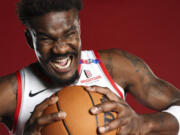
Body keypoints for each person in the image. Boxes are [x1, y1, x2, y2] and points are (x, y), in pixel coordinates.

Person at [0, 0, 180, 134]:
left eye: (69, 34)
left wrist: (143, 123)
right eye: (46, 38)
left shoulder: (114, 66)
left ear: (79, 27)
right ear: (30, 39)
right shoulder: (10, 93)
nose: (61, 48)